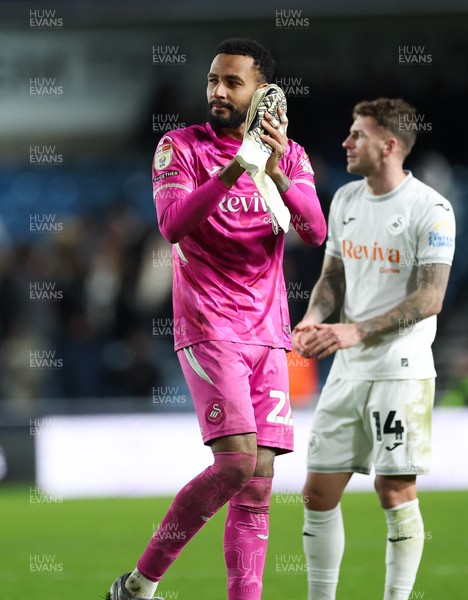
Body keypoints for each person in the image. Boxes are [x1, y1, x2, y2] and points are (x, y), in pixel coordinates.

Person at [107, 38, 326, 600]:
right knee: (234, 465)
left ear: (261, 92)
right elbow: (173, 224)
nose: (218, 92)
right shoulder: (178, 148)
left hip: (268, 333)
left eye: (232, 82)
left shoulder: (290, 154)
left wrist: (272, 170)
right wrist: (233, 172)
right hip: (208, 323)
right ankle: (141, 583)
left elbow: (315, 230)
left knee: (258, 484)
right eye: (213, 81)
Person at [293, 97, 456, 600]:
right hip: (347, 369)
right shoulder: (343, 200)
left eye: (357, 134)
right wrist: (314, 318)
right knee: (318, 493)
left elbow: (430, 298)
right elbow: (332, 276)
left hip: (400, 371)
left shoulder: (432, 209)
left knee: (394, 490)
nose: (345, 142)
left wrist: (355, 331)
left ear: (388, 145)